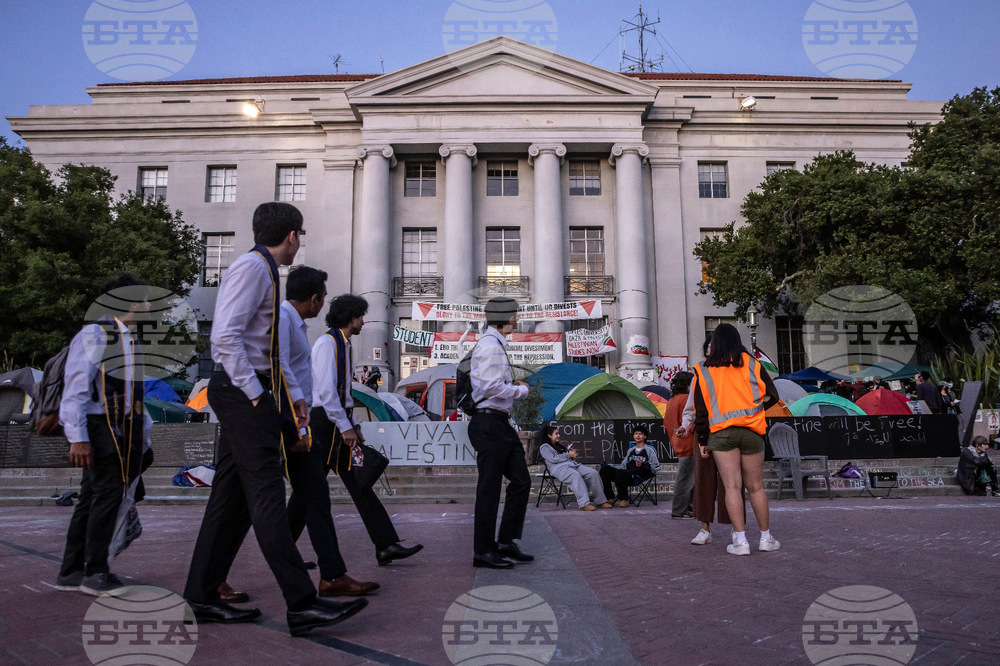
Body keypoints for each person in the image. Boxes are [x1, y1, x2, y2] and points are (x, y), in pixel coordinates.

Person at [183, 202, 367, 635]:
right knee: (264, 496)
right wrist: (257, 397)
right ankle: (301, 603)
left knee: (229, 497)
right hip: (243, 393)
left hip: (256, 391)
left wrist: (294, 397)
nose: (298, 244)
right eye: (299, 236)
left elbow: (267, 350)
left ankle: (201, 595)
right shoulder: (253, 269)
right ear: (291, 237)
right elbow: (224, 340)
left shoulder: (264, 271)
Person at [295, 293, 423, 567]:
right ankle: (282, 551)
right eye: (361, 316)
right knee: (309, 487)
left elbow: (342, 393)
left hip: (336, 423)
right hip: (325, 424)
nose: (364, 321)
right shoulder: (327, 345)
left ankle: (386, 544)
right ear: (351, 317)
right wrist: (345, 426)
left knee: (360, 484)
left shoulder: (343, 345)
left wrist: (351, 424)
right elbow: (327, 393)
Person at [278, 267, 380, 597]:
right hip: (301, 422)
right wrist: (340, 425)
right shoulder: (314, 338)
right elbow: (319, 389)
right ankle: (286, 563)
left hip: (308, 421)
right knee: (241, 508)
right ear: (314, 298)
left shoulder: (313, 334)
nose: (364, 322)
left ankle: (330, 574)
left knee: (314, 496)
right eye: (322, 295)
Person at [56, 273, 152, 596]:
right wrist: (78, 437)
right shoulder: (96, 335)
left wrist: (144, 437)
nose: (149, 304)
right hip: (99, 427)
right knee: (107, 494)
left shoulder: (128, 339)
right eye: (143, 298)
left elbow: (132, 398)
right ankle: (94, 571)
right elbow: (76, 389)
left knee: (92, 497)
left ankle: (72, 570)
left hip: (118, 428)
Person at [692, 323, 780, 556]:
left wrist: (702, 440)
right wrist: (754, 409)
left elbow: (701, 412)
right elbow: (773, 396)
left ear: (714, 343)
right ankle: (766, 538)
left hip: (721, 434)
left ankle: (740, 542)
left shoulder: (703, 370)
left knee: (732, 487)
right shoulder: (753, 364)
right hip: (752, 430)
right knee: (756, 487)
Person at [469, 297, 532, 569]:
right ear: (507, 319)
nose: (516, 320)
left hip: (498, 423)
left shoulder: (494, 345)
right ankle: (483, 551)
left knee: (521, 480)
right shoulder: (491, 346)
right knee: (490, 490)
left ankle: (505, 541)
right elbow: (491, 387)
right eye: (514, 316)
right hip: (490, 423)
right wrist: (520, 391)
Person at [676, 339, 743, 546]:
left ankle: (736, 528)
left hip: (728, 431)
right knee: (704, 481)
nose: (711, 355)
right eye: (708, 352)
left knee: (731, 482)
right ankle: (704, 528)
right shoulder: (701, 374)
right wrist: (685, 426)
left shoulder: (736, 372)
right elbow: (691, 407)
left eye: (715, 350)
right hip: (704, 432)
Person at [538, 424, 612, 511]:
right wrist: (568, 455)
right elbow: (553, 459)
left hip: (572, 465)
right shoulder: (544, 447)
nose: (559, 435)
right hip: (559, 469)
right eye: (556, 434)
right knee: (575, 475)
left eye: (558, 433)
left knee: (593, 473)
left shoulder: (559, 446)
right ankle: (584, 504)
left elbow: (565, 456)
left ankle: (600, 501)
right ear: (549, 435)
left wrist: (571, 454)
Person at [599, 425, 661, 508]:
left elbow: (656, 467)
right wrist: (609, 466)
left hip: (638, 475)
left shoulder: (650, 450)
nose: (638, 436)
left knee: (621, 473)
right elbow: (623, 466)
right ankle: (610, 497)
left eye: (640, 434)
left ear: (645, 436)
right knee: (604, 470)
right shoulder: (631, 450)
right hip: (625, 473)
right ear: (633, 436)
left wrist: (644, 464)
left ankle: (623, 499)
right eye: (636, 434)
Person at [666, 372, 696, 519]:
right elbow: (689, 420)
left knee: (686, 478)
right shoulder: (685, 399)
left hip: (677, 442)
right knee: (686, 479)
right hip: (688, 442)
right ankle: (680, 510)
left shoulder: (672, 400)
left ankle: (686, 509)